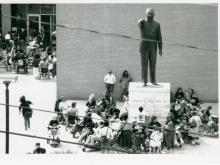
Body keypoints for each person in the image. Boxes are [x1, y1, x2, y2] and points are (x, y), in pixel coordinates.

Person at [138, 8, 162, 86]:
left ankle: (153, 80)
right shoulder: (143, 22)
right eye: (148, 13)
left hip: (153, 47)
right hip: (144, 47)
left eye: (151, 13)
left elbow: (159, 37)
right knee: (144, 65)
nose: (150, 15)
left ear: (154, 15)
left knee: (153, 64)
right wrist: (140, 21)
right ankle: (144, 81)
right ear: (146, 14)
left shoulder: (157, 24)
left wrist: (160, 48)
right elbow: (139, 24)